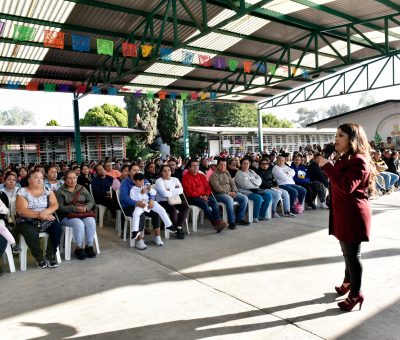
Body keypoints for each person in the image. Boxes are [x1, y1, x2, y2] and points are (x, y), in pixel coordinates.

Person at [318, 123, 372, 312]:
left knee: (353, 255)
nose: (336, 139)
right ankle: (348, 281)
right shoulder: (345, 158)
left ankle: (356, 294)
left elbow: (347, 186)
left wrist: (328, 166)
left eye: (341, 135)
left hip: (353, 215)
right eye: (336, 135)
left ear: (352, 138)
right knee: (346, 252)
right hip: (342, 213)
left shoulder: (359, 160)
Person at [15, 170, 62, 269]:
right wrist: (40, 214)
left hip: (45, 217)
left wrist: (45, 212)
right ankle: (39, 257)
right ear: (29, 180)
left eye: (41, 178)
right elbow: (21, 210)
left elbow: (55, 204)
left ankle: (51, 254)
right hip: (26, 220)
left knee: (57, 228)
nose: (40, 180)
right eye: (36, 177)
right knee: (31, 234)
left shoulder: (47, 190)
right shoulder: (22, 191)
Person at [56, 170, 96, 260]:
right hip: (66, 216)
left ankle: (89, 246)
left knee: (91, 221)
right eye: (69, 178)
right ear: (65, 180)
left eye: (74, 178)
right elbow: (60, 207)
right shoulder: (60, 192)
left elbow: (91, 200)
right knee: (78, 223)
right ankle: (78, 248)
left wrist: (86, 207)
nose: (72, 180)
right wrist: (75, 208)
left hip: (83, 213)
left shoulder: (82, 188)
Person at [182, 159, 228, 232]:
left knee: (214, 202)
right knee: (204, 204)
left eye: (197, 165)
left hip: (204, 196)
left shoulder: (202, 176)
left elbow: (208, 188)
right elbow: (189, 192)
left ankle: (217, 222)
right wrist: (200, 196)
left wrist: (206, 195)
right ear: (189, 168)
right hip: (192, 198)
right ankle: (216, 222)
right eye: (193, 166)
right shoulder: (185, 177)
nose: (196, 167)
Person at [129, 173, 174, 247]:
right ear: (135, 181)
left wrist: (150, 190)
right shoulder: (133, 189)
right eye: (139, 181)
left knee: (161, 209)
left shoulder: (145, 186)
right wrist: (140, 193)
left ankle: (169, 225)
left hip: (149, 204)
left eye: (143, 181)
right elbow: (133, 198)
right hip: (140, 205)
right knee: (136, 214)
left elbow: (154, 192)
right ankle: (135, 231)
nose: (141, 183)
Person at [209, 158, 250, 229]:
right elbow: (217, 188)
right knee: (229, 199)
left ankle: (239, 218)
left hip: (230, 192)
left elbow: (232, 183)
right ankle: (231, 221)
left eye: (224, 165)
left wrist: (234, 191)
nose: (223, 167)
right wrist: (228, 193)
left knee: (244, 198)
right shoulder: (213, 176)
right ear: (217, 165)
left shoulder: (226, 172)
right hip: (218, 194)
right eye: (221, 165)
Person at [119, 164, 151, 248]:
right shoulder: (125, 183)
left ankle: (157, 236)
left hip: (144, 204)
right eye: (134, 170)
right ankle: (139, 240)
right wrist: (136, 203)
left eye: (138, 170)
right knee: (140, 214)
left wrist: (151, 199)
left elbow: (150, 189)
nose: (136, 172)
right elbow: (124, 198)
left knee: (156, 211)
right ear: (129, 172)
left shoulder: (143, 179)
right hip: (129, 206)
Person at [155, 165, 188, 239]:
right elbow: (164, 194)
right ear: (161, 172)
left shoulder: (175, 179)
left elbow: (181, 191)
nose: (167, 172)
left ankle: (178, 227)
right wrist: (174, 190)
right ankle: (176, 229)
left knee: (185, 207)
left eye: (169, 170)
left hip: (174, 200)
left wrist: (169, 190)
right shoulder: (159, 181)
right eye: (165, 171)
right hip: (163, 201)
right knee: (172, 209)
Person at [234, 158, 272, 223]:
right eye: (244, 163)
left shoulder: (251, 171)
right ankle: (255, 217)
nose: (246, 165)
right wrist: (255, 183)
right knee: (258, 198)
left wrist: (252, 181)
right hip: (245, 192)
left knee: (268, 196)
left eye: (247, 163)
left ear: (249, 164)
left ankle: (262, 215)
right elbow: (245, 185)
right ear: (241, 164)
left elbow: (259, 180)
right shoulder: (239, 174)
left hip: (256, 190)